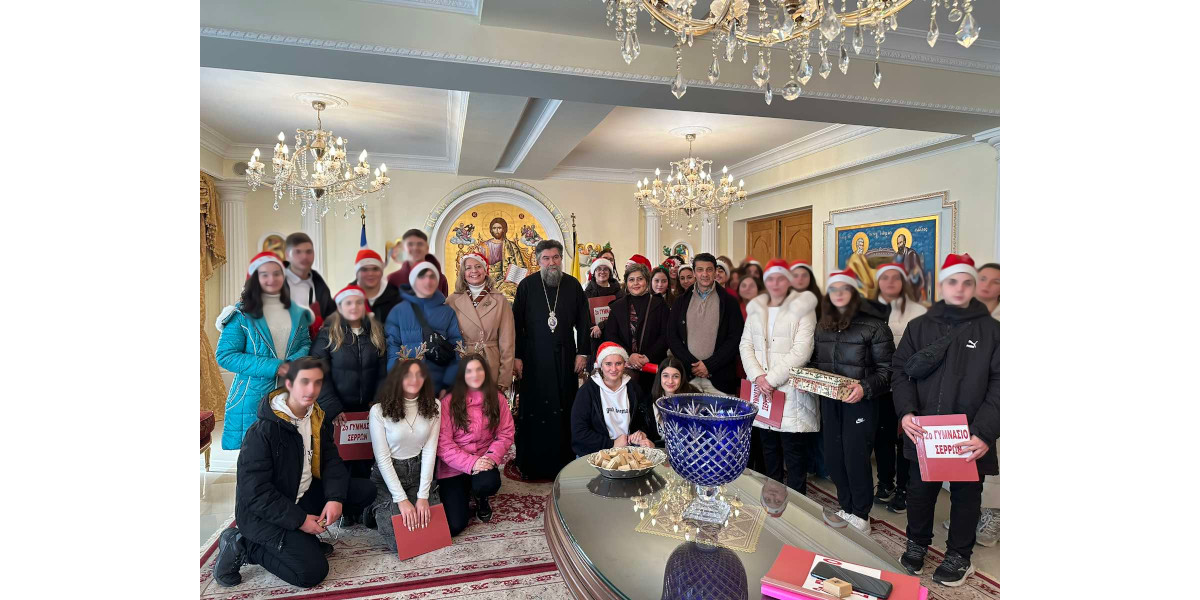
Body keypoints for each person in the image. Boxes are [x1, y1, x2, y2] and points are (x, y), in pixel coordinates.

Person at [212, 358, 375, 589]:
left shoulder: (316, 417)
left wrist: (335, 499)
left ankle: (301, 540)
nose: (311, 389)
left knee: (365, 490)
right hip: (262, 514)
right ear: (289, 384)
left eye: (317, 383)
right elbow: (256, 493)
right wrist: (300, 521)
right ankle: (243, 545)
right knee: (311, 573)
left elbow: (332, 462)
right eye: (304, 382)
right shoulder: (262, 431)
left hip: (299, 494)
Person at [892, 253, 999, 587]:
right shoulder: (919, 327)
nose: (960, 288)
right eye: (953, 281)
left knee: (966, 496)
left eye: (967, 282)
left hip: (969, 433)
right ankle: (916, 543)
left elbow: (1003, 383)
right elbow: (900, 371)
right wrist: (906, 412)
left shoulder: (993, 331)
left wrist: (984, 432)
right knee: (920, 491)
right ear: (942, 285)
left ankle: (959, 556)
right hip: (925, 431)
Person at [812, 269, 894, 535]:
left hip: (861, 402)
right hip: (830, 401)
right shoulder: (822, 325)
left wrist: (864, 388)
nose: (838, 294)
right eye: (833, 289)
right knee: (834, 457)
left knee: (855, 457)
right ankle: (846, 507)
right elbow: (817, 362)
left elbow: (889, 370)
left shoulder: (875, 326)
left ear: (854, 293)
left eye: (844, 289)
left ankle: (861, 513)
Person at [216, 252, 314, 450]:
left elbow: (305, 343)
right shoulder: (241, 315)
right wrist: (276, 367)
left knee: (290, 454)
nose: (271, 279)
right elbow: (226, 356)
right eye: (264, 274)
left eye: (277, 273)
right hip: (252, 397)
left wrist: (291, 364)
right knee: (256, 457)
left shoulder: (298, 312)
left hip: (291, 392)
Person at [511, 239, 591, 480]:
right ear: (538, 262)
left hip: (565, 356)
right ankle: (532, 464)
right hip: (533, 357)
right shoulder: (526, 286)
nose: (551, 262)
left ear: (561, 259)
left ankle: (563, 463)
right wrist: (516, 356)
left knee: (564, 405)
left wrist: (583, 352)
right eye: (546, 258)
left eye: (556, 257)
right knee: (534, 408)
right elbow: (516, 324)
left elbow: (584, 322)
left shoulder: (573, 285)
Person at [739, 259, 819, 495]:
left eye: (781, 278)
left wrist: (770, 380)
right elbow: (745, 345)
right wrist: (758, 376)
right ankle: (772, 500)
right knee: (769, 450)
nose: (775, 283)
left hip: (790, 392)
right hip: (762, 392)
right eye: (771, 279)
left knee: (794, 455)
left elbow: (802, 350)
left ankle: (797, 505)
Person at [311, 285, 389, 478]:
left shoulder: (376, 332)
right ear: (340, 306)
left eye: (358, 302)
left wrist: (377, 402)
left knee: (365, 461)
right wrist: (333, 407)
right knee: (339, 463)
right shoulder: (328, 334)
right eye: (348, 303)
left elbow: (382, 372)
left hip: (367, 411)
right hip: (338, 413)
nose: (353, 307)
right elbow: (318, 372)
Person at [870, 264, 928, 514]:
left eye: (896, 277)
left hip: (907, 386)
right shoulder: (870, 309)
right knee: (882, 436)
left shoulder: (919, 311)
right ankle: (886, 482)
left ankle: (904, 489)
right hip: (879, 386)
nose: (890, 282)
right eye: (885, 277)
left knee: (905, 439)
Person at [368, 358, 442, 552]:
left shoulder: (434, 405)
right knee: (401, 544)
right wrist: (401, 499)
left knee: (432, 535)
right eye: (408, 375)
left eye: (419, 375)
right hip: (388, 475)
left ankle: (404, 501)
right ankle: (373, 509)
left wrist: (423, 496)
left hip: (418, 472)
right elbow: (382, 459)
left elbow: (430, 452)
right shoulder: (378, 410)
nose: (414, 380)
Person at [436, 354, 515, 535]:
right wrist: (472, 463)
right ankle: (464, 491)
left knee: (487, 483)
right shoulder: (448, 402)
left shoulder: (497, 398)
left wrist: (490, 458)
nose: (475, 375)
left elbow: (506, 433)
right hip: (453, 467)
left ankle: (481, 497)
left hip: (484, 460)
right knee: (455, 525)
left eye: (479, 369)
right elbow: (443, 444)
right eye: (469, 371)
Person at [667, 253, 745, 396]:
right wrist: (693, 365)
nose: (705, 274)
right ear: (694, 273)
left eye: (709, 269)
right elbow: (672, 337)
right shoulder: (680, 302)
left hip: (720, 381)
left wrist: (709, 365)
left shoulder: (730, 302)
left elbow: (735, 338)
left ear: (715, 272)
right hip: (688, 379)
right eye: (700, 270)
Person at [385, 261, 462, 396]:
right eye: (422, 276)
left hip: (437, 385)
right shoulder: (398, 311)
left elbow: (457, 348)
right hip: (407, 386)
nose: (428, 281)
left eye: (432, 277)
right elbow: (393, 349)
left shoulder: (447, 312)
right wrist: (396, 382)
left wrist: (448, 384)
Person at [571, 342, 658, 456]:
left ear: (624, 365)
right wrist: (612, 444)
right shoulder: (587, 391)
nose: (613, 369)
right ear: (601, 365)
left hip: (628, 451)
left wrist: (641, 433)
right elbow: (579, 433)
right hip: (595, 453)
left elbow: (647, 421)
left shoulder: (634, 388)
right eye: (608, 364)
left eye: (618, 363)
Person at [446, 252, 516, 392]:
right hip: (461, 362)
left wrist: (504, 377)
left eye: (478, 266)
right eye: (468, 268)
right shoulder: (452, 300)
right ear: (463, 273)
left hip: (490, 362)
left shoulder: (500, 300)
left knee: (488, 404)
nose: (474, 271)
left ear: (485, 270)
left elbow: (507, 341)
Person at [602, 262, 670, 398]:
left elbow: (666, 335)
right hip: (625, 367)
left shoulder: (659, 304)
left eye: (640, 279)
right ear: (626, 283)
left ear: (647, 281)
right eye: (631, 280)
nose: (636, 283)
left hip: (653, 366)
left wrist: (648, 356)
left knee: (652, 402)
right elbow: (611, 335)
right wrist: (629, 355)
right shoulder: (617, 306)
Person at [284, 232, 336, 321]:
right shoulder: (275, 283)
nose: (304, 256)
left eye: (309, 252)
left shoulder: (320, 285)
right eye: (298, 252)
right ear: (287, 255)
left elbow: (330, 316)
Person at [386, 229, 449, 297]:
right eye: (410, 244)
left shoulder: (440, 279)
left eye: (420, 244)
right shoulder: (393, 279)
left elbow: (443, 302)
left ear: (427, 248)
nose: (415, 248)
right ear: (404, 249)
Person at [352, 249, 402, 324]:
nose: (370, 274)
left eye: (375, 269)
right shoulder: (345, 299)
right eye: (364, 269)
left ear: (382, 272)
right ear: (356, 273)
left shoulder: (396, 298)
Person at [584, 257, 621, 361]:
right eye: (599, 269)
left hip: (614, 335)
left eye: (605, 269)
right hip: (594, 337)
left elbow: (620, 315)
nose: (602, 272)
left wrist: (601, 326)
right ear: (594, 272)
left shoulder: (618, 292)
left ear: (610, 272)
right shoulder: (586, 294)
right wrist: (594, 328)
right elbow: (583, 316)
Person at [845, 236, 878, 301]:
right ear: (857, 245)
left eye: (862, 245)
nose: (861, 247)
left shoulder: (863, 256)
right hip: (858, 281)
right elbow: (852, 270)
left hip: (867, 279)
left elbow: (868, 268)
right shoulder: (854, 257)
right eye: (860, 245)